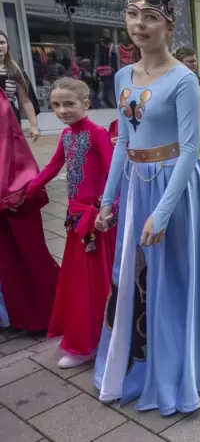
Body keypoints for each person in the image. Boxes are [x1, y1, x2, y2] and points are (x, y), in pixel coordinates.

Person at [93, 0, 200, 415]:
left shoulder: (183, 79)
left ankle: (183, 368)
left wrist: (161, 214)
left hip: (175, 188)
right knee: (134, 275)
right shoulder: (123, 76)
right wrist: (107, 200)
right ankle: (137, 359)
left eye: (151, 17)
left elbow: (188, 149)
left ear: (170, 25)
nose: (139, 25)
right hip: (135, 185)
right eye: (132, 15)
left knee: (177, 277)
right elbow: (123, 142)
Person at [24, 78, 116, 368]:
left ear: (85, 104)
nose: (62, 110)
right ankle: (86, 338)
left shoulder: (97, 133)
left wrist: (107, 208)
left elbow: (114, 171)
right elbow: (52, 167)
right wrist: (26, 190)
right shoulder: (67, 137)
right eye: (56, 105)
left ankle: (94, 341)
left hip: (96, 220)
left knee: (94, 280)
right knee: (79, 280)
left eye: (69, 104)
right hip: (75, 219)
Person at [0, 70, 58, 333]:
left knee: (25, 254)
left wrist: (11, 189)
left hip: (12, 189)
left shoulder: (4, 97)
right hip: (10, 188)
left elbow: (9, 144)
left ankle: (43, 313)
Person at [174, 47, 200, 153]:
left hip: (199, 128)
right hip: (183, 133)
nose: (194, 64)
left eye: (195, 60)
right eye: (190, 61)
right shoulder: (175, 80)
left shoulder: (196, 78)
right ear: (179, 62)